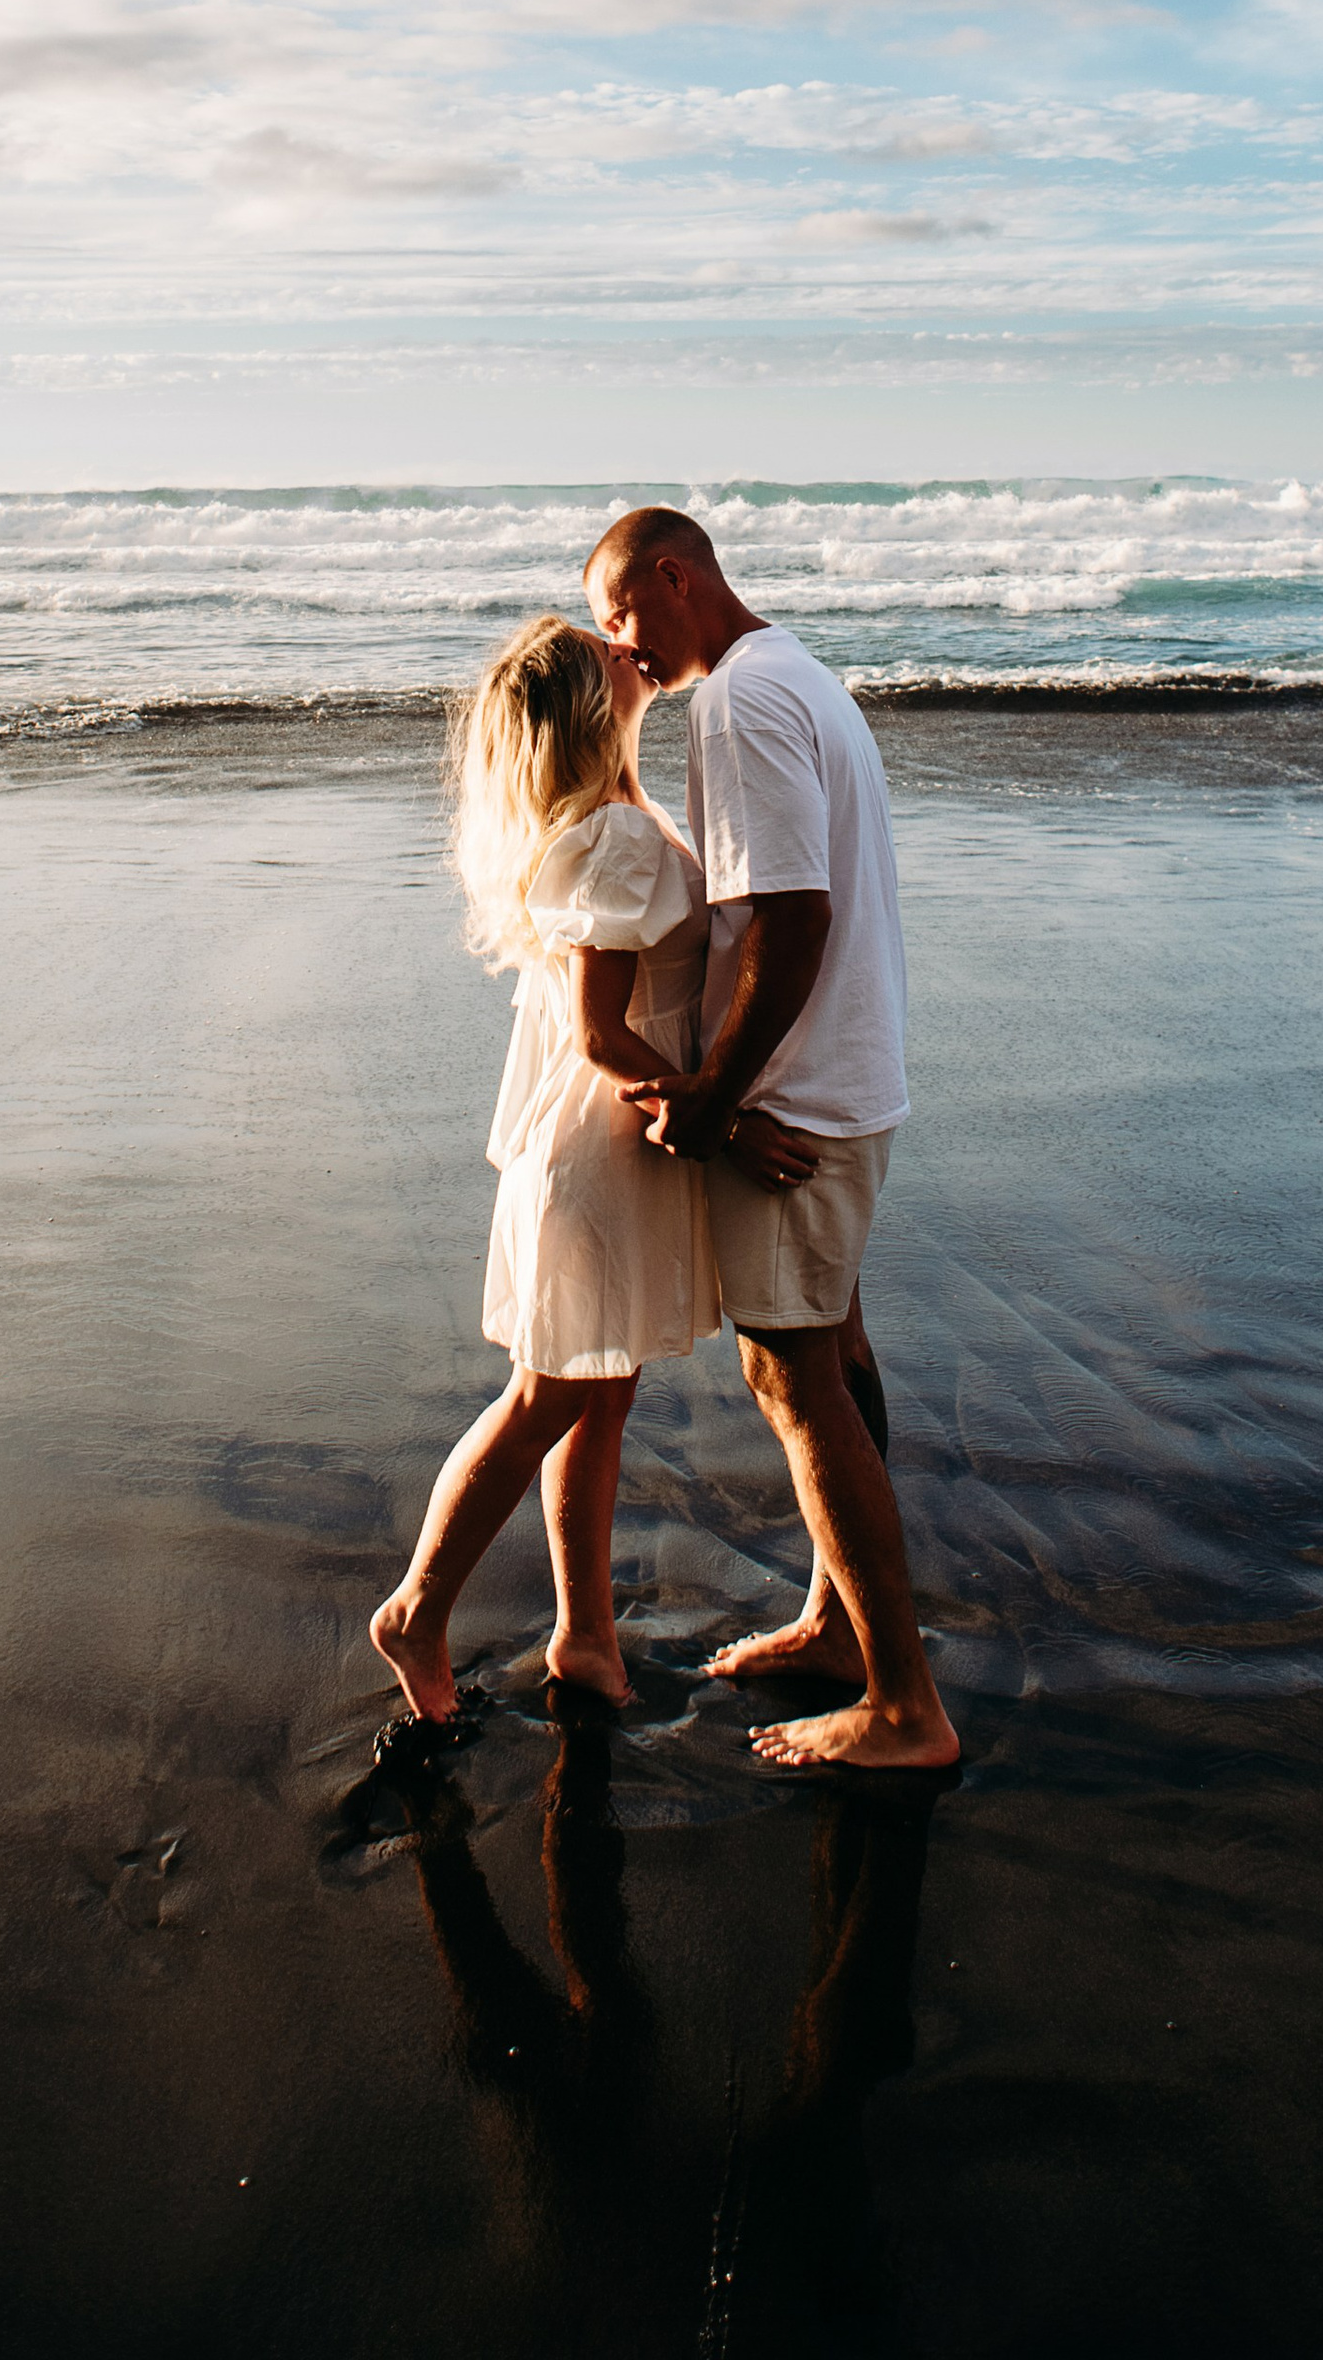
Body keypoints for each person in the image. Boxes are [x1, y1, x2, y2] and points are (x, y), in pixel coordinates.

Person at [583, 507, 959, 1775]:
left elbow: (790, 921)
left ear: (673, 578)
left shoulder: (737, 704)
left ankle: (901, 1705)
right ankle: (841, 1630)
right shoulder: (794, 672)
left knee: (793, 1380)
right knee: (832, 1354)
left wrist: (713, 1096)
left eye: (621, 612)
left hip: (797, 1103)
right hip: (850, 1078)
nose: (616, 644)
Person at [371, 613, 719, 1722]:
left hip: (597, 1149)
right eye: (606, 648)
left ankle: (584, 1637)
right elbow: (606, 1034)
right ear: (585, 704)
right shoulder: (612, 839)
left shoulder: (599, 822)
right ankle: (417, 1613)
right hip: (601, 1150)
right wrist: (720, 1119)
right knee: (548, 1397)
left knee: (598, 1397)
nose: (632, 645)